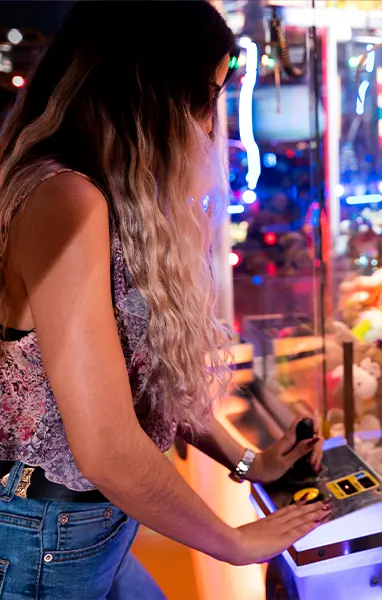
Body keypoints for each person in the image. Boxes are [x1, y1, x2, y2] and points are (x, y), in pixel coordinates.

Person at [0, 2, 329, 599]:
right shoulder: (65, 200)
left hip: (88, 525)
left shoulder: (91, 191)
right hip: (49, 536)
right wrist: (236, 542)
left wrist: (249, 461)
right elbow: (105, 448)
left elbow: (137, 383)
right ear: (146, 89)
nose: (207, 125)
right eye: (204, 95)